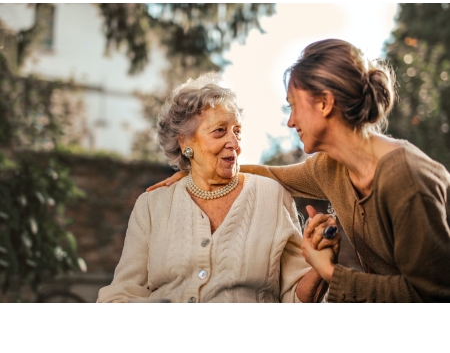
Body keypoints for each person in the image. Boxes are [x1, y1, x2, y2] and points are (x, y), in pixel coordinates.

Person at [149, 39, 450, 303]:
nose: (291, 122)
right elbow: (274, 175)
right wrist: (201, 172)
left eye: (293, 105)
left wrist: (329, 271)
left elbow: (432, 295)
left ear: (324, 103)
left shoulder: (405, 179)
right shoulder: (331, 167)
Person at [98, 72, 339, 303]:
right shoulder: (152, 205)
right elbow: (124, 292)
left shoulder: (273, 197)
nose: (234, 143)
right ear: (185, 141)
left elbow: (296, 299)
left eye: (238, 131)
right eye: (220, 131)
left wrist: (319, 268)